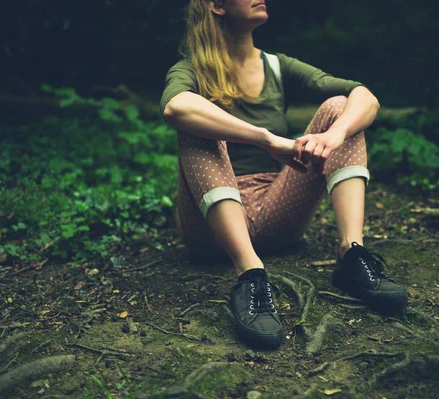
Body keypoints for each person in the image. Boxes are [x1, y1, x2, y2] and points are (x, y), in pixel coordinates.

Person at [160, 0, 408, 348]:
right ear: (216, 6)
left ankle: (352, 255)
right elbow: (175, 107)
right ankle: (251, 276)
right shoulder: (191, 70)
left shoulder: (277, 66)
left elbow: (363, 96)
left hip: (276, 210)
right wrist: (266, 139)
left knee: (340, 107)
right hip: (210, 229)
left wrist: (333, 135)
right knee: (197, 118)